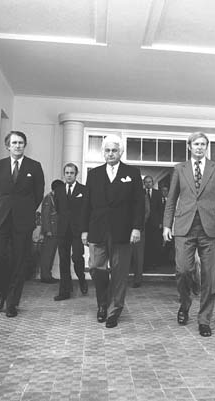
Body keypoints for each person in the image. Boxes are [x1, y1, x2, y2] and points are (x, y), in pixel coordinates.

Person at [163, 132, 215, 337]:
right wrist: (166, 226)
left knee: (208, 276)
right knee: (183, 270)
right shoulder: (179, 169)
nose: (200, 147)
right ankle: (185, 304)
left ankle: (204, 319)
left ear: (207, 147)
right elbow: (171, 200)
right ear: (189, 146)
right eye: (196, 144)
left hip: (210, 228)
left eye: (203, 144)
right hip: (184, 228)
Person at [81, 134, 144, 328]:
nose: (110, 153)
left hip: (123, 231)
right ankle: (102, 304)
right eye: (107, 150)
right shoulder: (94, 174)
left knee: (119, 272)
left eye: (114, 150)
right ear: (103, 152)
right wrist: (84, 230)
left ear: (121, 152)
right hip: (97, 229)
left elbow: (138, 204)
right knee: (95, 268)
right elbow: (86, 205)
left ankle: (114, 310)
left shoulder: (132, 173)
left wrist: (136, 228)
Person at [0, 130, 45, 318]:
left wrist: (25, 210)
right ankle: (2, 293)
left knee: (19, 261)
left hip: (23, 220)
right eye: (14, 143)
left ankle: (12, 302)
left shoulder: (34, 166)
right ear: (8, 146)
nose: (18, 145)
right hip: (1, 218)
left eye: (21, 142)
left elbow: (38, 194)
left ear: (24, 145)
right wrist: (7, 207)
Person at [54, 163, 88, 301]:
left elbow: (86, 211)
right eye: (67, 173)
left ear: (76, 174)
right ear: (64, 174)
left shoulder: (84, 190)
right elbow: (58, 209)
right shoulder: (59, 190)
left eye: (71, 173)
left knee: (77, 258)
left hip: (77, 231)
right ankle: (64, 291)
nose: (69, 175)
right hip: (62, 231)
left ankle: (81, 279)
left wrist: (85, 230)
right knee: (64, 260)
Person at [39, 179, 64, 283]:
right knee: (47, 255)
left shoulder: (55, 197)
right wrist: (47, 230)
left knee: (51, 254)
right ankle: (45, 276)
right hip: (51, 232)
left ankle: (47, 274)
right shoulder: (49, 198)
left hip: (56, 231)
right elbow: (45, 216)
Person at [143, 175, 163, 271]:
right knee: (146, 244)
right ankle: (145, 264)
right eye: (146, 182)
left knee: (155, 243)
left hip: (155, 223)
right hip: (144, 223)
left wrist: (161, 222)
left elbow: (161, 209)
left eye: (150, 182)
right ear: (144, 183)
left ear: (153, 183)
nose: (148, 183)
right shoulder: (141, 193)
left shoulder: (158, 193)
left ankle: (154, 263)